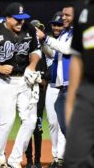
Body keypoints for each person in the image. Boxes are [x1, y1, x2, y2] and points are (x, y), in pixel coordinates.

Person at [0, 2, 42, 168]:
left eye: (23, 19)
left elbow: (36, 51)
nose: (21, 22)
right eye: (17, 19)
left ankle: (14, 160)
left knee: (30, 120)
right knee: (7, 120)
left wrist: (32, 66)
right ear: (7, 18)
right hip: (3, 81)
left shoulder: (29, 29)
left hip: (25, 80)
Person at [64, 0, 94, 167]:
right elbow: (77, 57)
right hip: (89, 90)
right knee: (75, 159)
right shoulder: (84, 9)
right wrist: (71, 102)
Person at [41, 11, 66, 168]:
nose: (56, 27)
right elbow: (50, 55)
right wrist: (42, 41)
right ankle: (55, 156)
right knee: (52, 123)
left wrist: (45, 39)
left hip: (64, 87)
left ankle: (62, 158)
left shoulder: (67, 40)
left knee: (63, 123)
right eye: (54, 24)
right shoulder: (52, 41)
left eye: (59, 24)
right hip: (51, 87)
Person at [24, 20, 47, 168]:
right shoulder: (25, 50)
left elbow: (45, 79)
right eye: (35, 30)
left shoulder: (44, 53)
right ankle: (29, 161)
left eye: (39, 30)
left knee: (37, 129)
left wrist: (40, 79)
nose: (38, 32)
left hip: (39, 95)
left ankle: (37, 161)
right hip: (25, 92)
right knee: (26, 127)